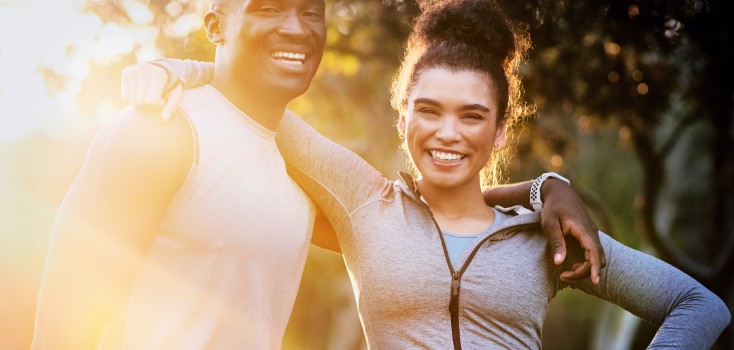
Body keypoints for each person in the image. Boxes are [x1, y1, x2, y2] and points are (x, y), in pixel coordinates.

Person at [126, 0, 731, 349]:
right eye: (429, 110)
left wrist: (545, 189)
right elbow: (254, 96)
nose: (448, 132)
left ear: (498, 131)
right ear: (403, 119)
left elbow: (699, 307)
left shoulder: (545, 237)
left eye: (473, 115)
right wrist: (174, 67)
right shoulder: (363, 202)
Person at [33, 0, 605, 349]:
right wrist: (183, 70)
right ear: (215, 23)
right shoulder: (159, 130)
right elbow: (67, 311)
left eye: (312, 10)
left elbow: (427, 215)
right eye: (268, 7)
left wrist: (545, 187)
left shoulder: (300, 169)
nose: (296, 27)